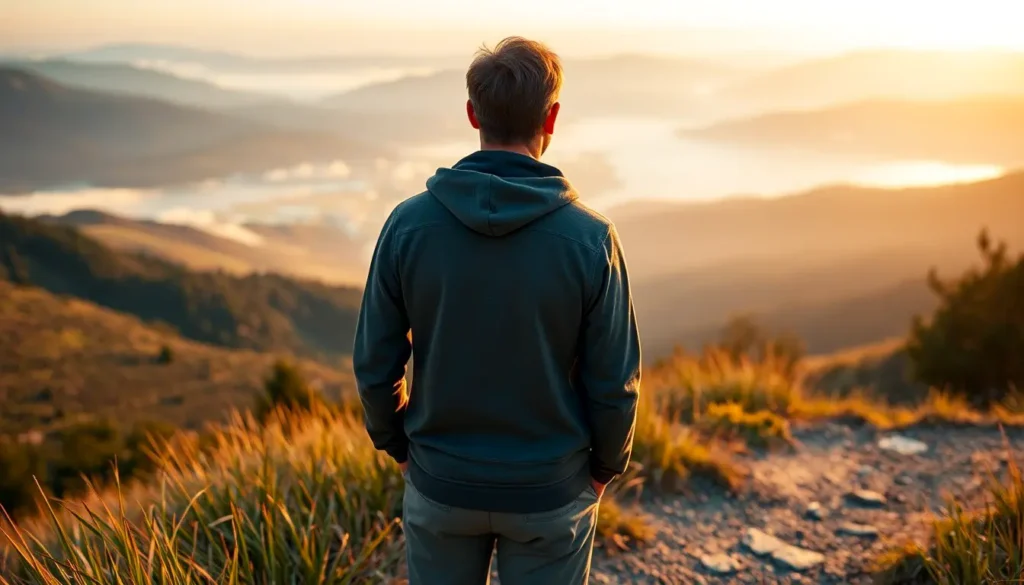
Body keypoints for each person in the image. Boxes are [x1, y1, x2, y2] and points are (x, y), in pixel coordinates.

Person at [353, 36, 641, 585]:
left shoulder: (407, 226)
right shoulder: (591, 238)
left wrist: (397, 446)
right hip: (550, 490)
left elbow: (374, 363)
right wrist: (605, 468)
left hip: (440, 483)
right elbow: (616, 381)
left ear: (471, 114)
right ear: (551, 117)